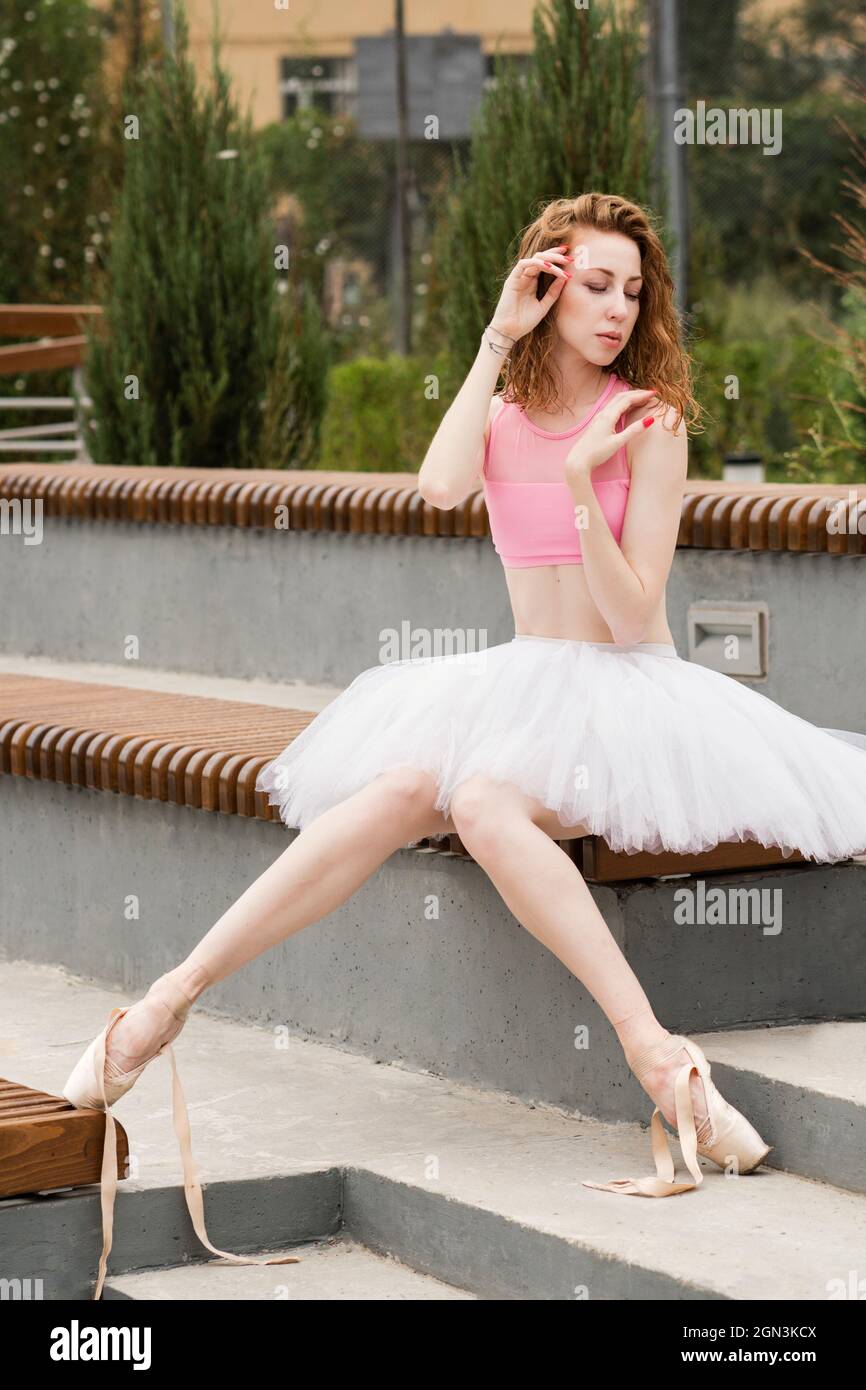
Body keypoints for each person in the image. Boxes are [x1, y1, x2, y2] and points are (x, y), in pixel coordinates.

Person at [62, 192, 866, 1297]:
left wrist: (586, 480)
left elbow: (634, 617)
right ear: (544, 283)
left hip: (627, 702)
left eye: (633, 289)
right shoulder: (499, 410)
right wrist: (495, 336)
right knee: (400, 785)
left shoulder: (650, 422)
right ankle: (163, 1004)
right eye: (592, 283)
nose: (617, 308)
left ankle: (655, 1057)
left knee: (483, 800)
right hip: (515, 682)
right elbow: (438, 486)